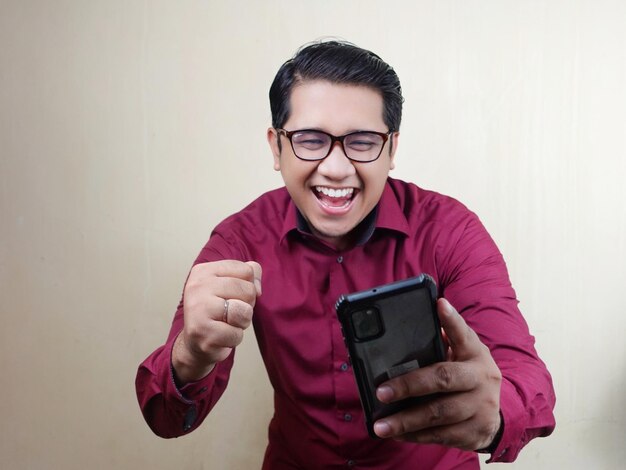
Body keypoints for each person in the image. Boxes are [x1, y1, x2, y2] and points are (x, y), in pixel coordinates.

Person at [135, 40, 555, 469]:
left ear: (391, 149)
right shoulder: (240, 240)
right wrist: (191, 355)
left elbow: (525, 377)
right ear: (276, 147)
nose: (336, 168)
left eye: (362, 141)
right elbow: (166, 419)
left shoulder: (449, 230)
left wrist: (496, 417)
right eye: (311, 139)